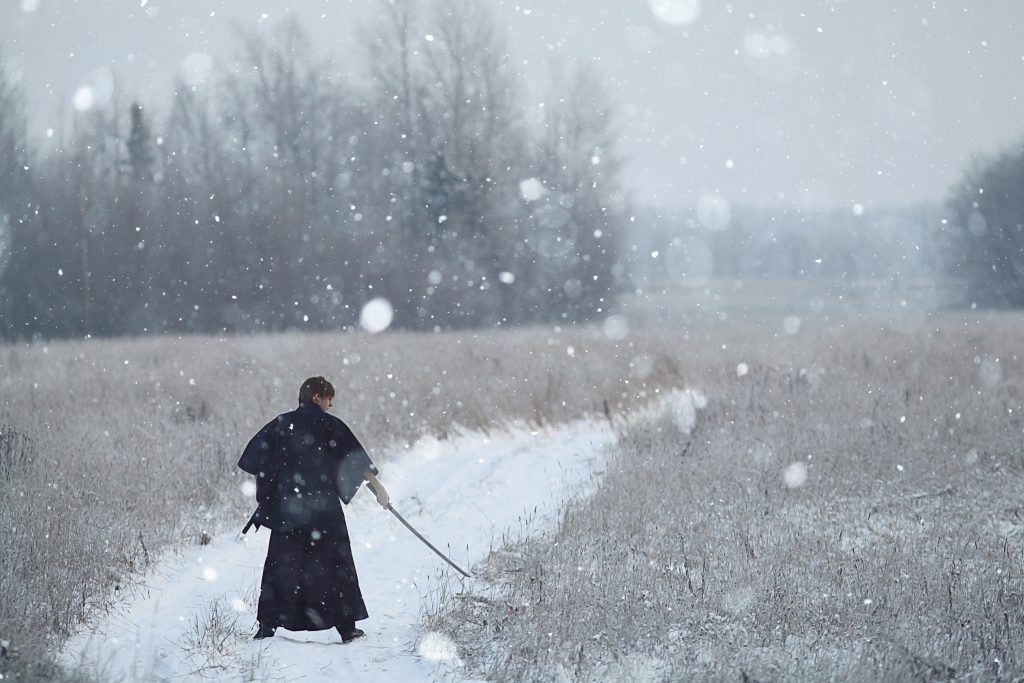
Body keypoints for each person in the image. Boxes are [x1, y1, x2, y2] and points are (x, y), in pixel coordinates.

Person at [238, 376, 390, 643]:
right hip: (324, 512)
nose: (331, 405)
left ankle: (268, 625)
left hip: (289, 510)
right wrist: (379, 489)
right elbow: (355, 461)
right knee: (335, 565)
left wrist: (268, 494)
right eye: (329, 398)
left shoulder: (281, 424)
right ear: (317, 396)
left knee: (282, 565)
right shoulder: (330, 425)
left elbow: (256, 459)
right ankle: (346, 627)